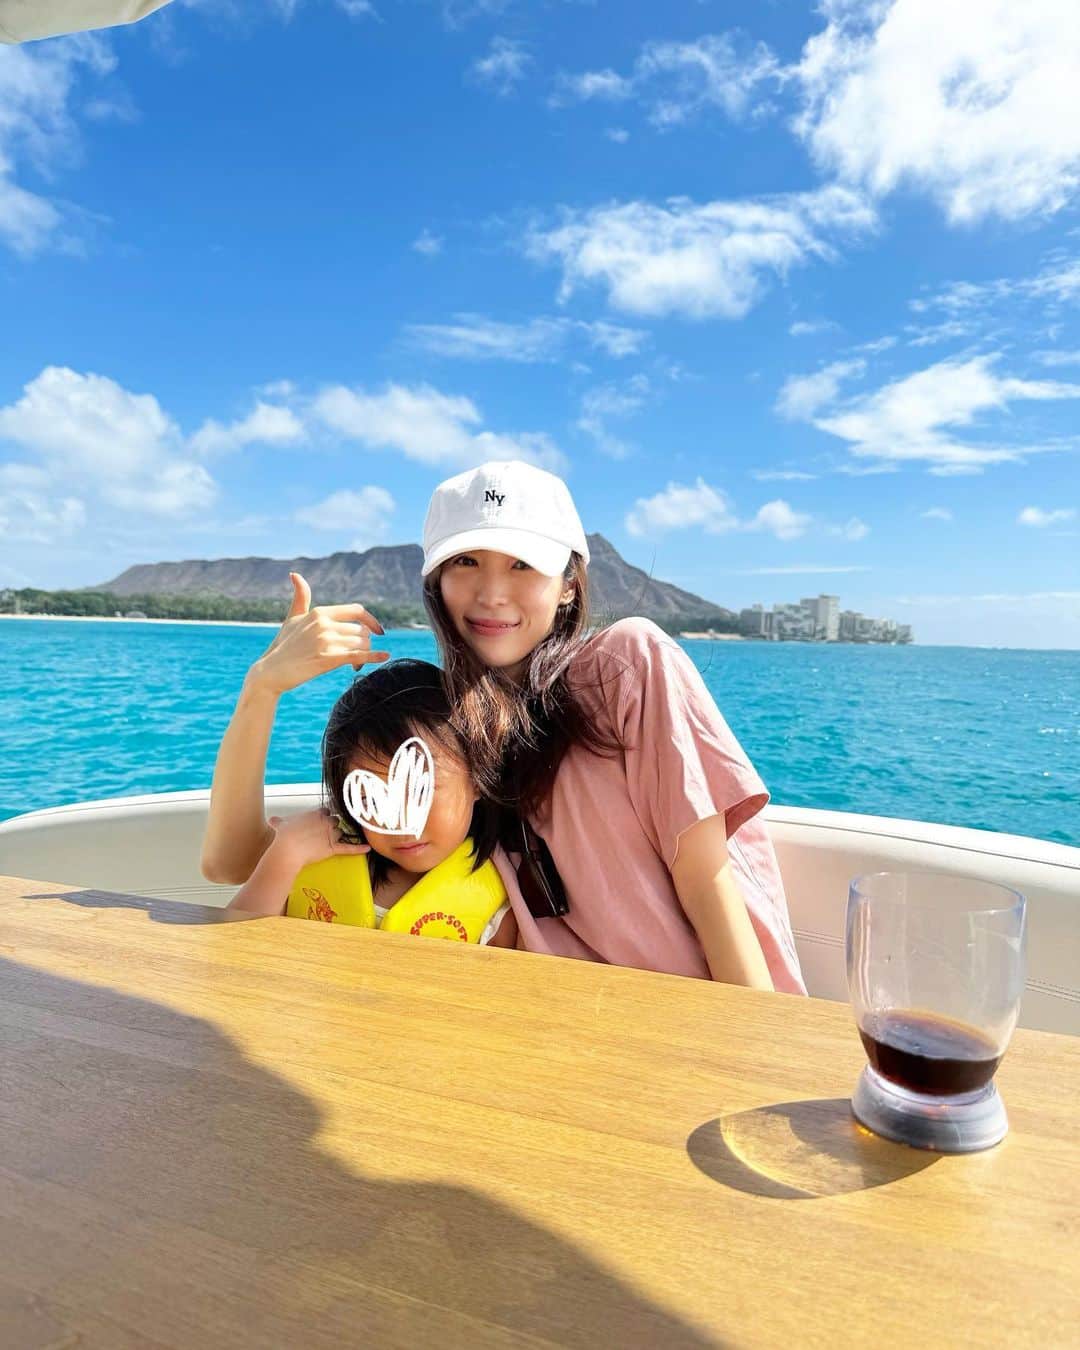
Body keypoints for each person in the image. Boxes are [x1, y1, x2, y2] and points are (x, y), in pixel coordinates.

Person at [203, 460, 805, 994]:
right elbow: (234, 865)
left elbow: (705, 878)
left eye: (522, 564)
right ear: (437, 582)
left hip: (701, 1020)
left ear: (568, 583)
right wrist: (262, 689)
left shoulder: (625, 666)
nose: (492, 593)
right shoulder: (444, 731)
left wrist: (752, 1039)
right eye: (466, 562)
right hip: (562, 1039)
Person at [226, 659, 517, 949]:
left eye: (419, 790)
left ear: (477, 779)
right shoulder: (307, 863)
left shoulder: (500, 906)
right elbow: (232, 949)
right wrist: (285, 855)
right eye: (370, 798)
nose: (400, 822)